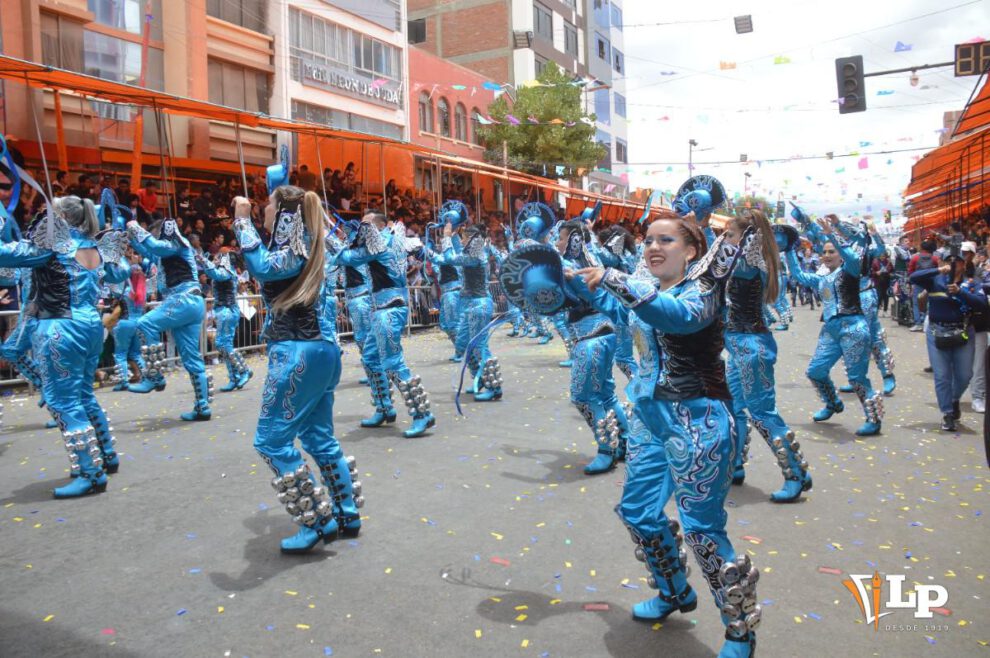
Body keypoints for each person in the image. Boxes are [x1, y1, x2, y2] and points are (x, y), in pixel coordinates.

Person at [573, 214, 761, 658]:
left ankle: (740, 631)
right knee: (637, 512)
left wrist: (613, 277)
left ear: (691, 251)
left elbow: (675, 318)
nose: (653, 247)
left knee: (702, 530)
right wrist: (576, 285)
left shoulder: (703, 291)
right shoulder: (649, 290)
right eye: (649, 240)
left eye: (666, 240)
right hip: (650, 419)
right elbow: (628, 313)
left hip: (699, 421)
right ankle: (674, 590)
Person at [232, 188, 363, 553]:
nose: (264, 212)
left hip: (297, 354)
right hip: (323, 351)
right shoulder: (314, 244)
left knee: (271, 440)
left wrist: (241, 221)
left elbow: (260, 266)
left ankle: (318, 522)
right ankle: (346, 512)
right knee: (319, 438)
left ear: (284, 212)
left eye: (269, 206)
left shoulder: (295, 248)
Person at [0, 195, 130, 497]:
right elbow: (121, 271)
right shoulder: (93, 246)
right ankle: (106, 455)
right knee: (83, 396)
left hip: (61, 328)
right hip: (91, 326)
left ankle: (90, 472)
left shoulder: (52, 248)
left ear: (60, 218)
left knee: (62, 402)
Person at [722, 211, 810, 502]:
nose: (725, 239)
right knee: (733, 408)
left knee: (762, 414)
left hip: (752, 347)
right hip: (738, 346)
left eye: (730, 234)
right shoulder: (746, 261)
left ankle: (795, 473)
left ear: (747, 238)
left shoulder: (748, 262)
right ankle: (735, 465)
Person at [337, 212, 437, 437]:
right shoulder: (388, 240)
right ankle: (384, 408)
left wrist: (327, 238)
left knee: (392, 363)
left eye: (367, 224)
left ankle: (422, 414)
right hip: (381, 309)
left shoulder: (381, 245)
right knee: (371, 358)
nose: (363, 229)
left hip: (389, 310)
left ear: (379, 226)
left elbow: (348, 258)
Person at [786, 219, 883, 436]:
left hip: (854, 328)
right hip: (831, 329)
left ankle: (874, 418)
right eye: (825, 252)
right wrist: (789, 249)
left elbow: (851, 256)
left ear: (839, 255)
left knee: (857, 378)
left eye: (832, 252)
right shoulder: (822, 278)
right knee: (815, 371)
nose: (827, 255)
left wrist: (832, 235)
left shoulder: (851, 270)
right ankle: (832, 403)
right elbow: (799, 275)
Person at [126, 215, 214, 421]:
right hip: (190, 303)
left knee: (144, 323)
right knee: (191, 358)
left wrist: (135, 227)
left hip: (183, 299)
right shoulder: (167, 251)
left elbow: (154, 246)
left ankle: (155, 375)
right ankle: (202, 407)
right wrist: (129, 236)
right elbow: (148, 250)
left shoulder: (176, 242)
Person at [911, 257, 988, 431]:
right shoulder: (934, 280)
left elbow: (982, 304)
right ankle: (947, 413)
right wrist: (938, 271)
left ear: (963, 264)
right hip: (936, 332)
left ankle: (953, 400)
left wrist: (960, 292)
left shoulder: (972, 283)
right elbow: (914, 277)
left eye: (957, 261)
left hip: (964, 333)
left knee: (965, 375)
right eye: (948, 261)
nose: (952, 265)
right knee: (942, 375)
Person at [438, 218, 503, 402]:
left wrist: (446, 237)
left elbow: (451, 257)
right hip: (470, 305)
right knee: (464, 344)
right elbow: (455, 252)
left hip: (479, 305)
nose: (463, 241)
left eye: (465, 239)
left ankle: (494, 386)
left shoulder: (476, 256)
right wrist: (454, 235)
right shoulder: (473, 253)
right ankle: (480, 379)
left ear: (473, 240)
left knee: (479, 346)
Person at [198, 249, 252, 391]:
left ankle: (244, 370)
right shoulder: (226, 271)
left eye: (217, 257)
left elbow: (215, 274)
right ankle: (234, 377)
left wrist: (203, 261)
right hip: (225, 311)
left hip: (227, 311)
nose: (214, 259)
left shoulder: (225, 272)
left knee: (224, 344)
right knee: (222, 344)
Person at [908, 240, 939, 331]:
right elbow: (938, 271)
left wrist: (912, 283)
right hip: (931, 284)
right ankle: (927, 322)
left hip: (918, 283)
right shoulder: (935, 258)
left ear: (922, 248)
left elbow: (910, 271)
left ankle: (918, 324)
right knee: (930, 302)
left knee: (916, 303)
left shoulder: (915, 258)